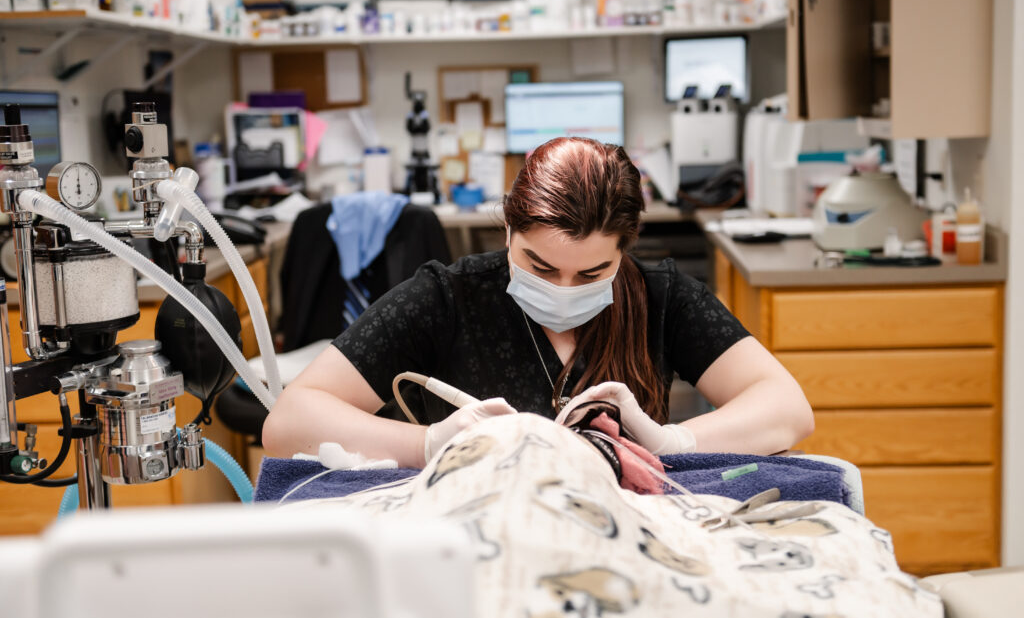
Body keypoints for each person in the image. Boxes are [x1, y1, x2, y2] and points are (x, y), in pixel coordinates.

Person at [262, 137, 814, 467]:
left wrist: (676, 441)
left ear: (625, 249)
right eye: (540, 266)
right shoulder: (445, 298)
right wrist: (429, 442)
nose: (564, 289)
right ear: (508, 231)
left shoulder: (662, 298)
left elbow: (787, 408)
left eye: (593, 271)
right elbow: (289, 422)